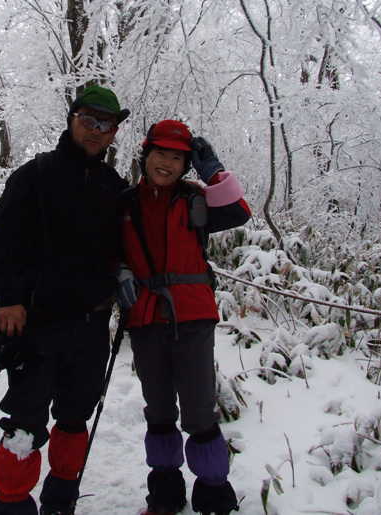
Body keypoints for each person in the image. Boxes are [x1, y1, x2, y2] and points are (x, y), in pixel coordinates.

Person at [0, 85, 130, 515]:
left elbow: (124, 244)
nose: (97, 131)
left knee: (74, 415)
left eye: (107, 126)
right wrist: (8, 298)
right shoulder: (34, 176)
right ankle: (11, 505)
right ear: (72, 118)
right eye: (89, 120)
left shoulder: (112, 185)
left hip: (89, 325)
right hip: (36, 324)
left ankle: (61, 498)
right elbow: (4, 241)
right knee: (25, 422)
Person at [115, 120, 251, 515]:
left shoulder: (195, 199)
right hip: (144, 316)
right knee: (158, 410)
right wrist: (118, 269)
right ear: (146, 155)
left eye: (178, 158)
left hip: (192, 315)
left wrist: (215, 173)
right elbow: (109, 247)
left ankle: (213, 495)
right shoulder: (126, 202)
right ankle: (165, 494)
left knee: (198, 412)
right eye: (161, 154)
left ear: (186, 165)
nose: (167, 163)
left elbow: (239, 212)